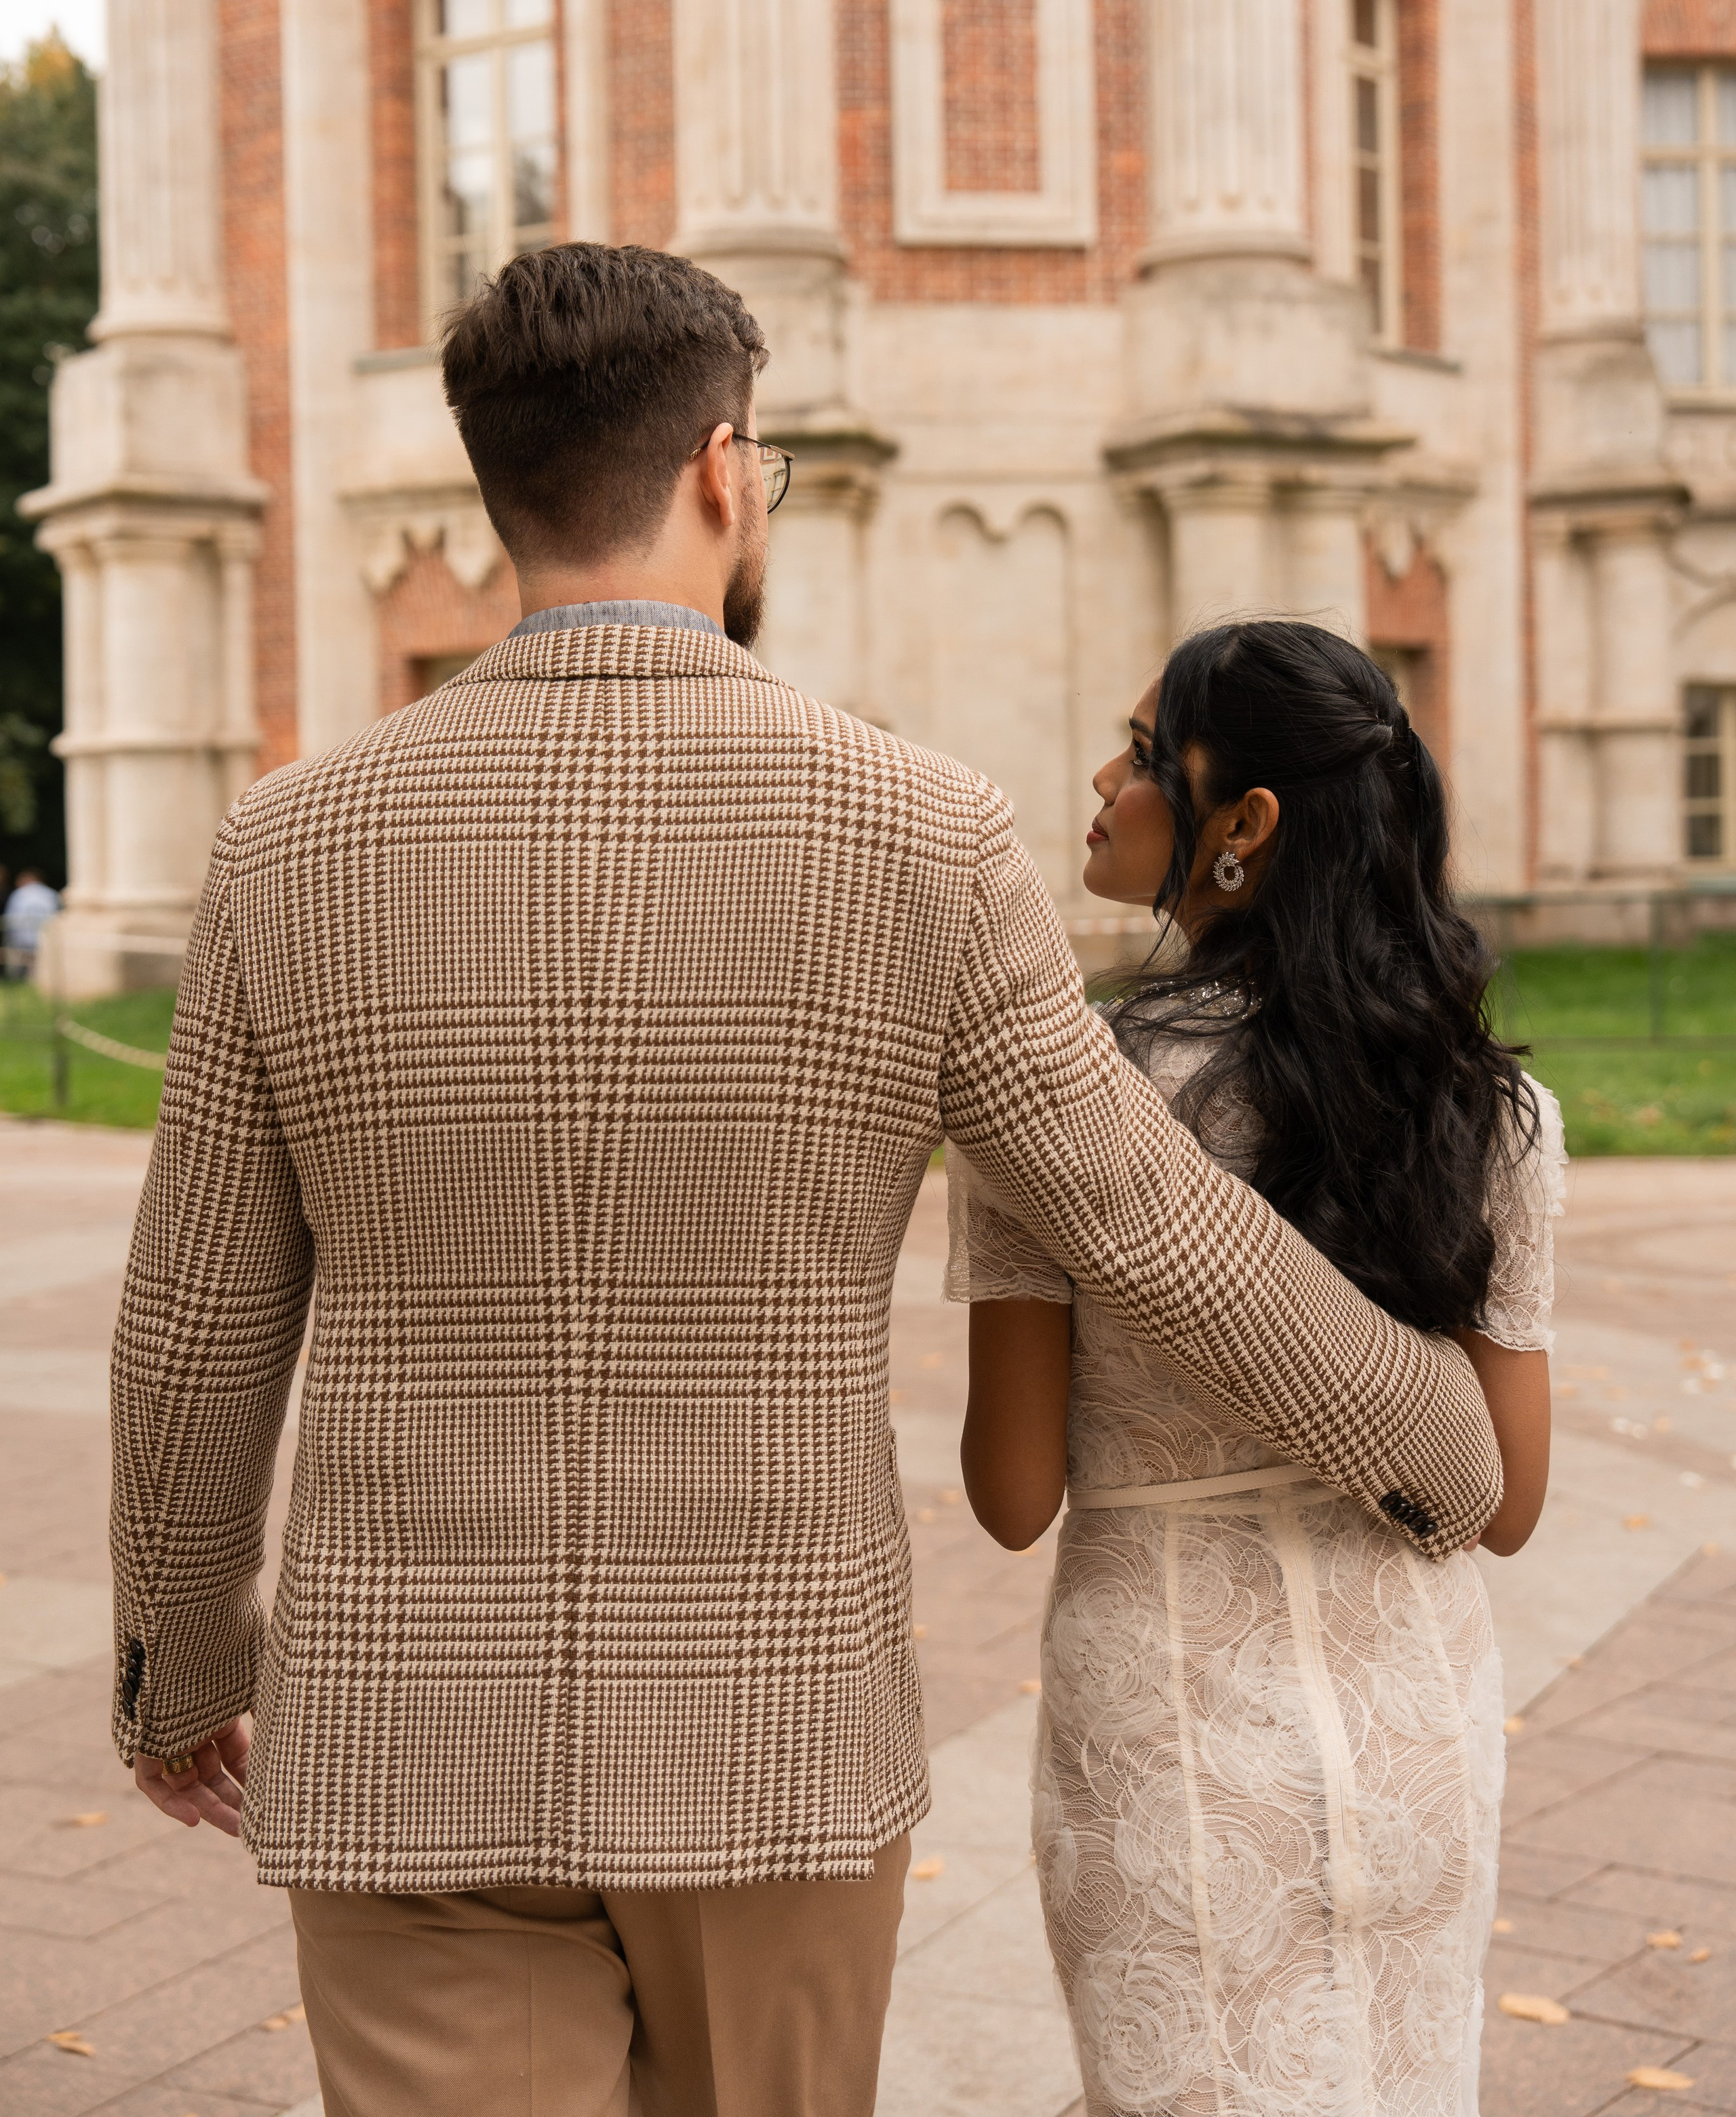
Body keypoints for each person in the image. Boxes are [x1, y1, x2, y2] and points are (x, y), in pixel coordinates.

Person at [108, 248, 1504, 2117]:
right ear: (719, 466)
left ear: (499, 481)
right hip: (772, 1746)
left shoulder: (289, 845)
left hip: (405, 1747)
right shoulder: (918, 830)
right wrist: (1437, 1436)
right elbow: (1141, 1219)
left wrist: (179, 1670)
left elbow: (195, 1320)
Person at [951, 620, 1559, 2116]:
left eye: (1144, 755)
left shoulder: (1070, 1102)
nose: (1103, 778)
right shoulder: (1490, 1110)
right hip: (1416, 1717)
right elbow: (1507, 1499)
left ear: (1246, 824)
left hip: (1166, 1729)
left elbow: (1013, 1493)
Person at [3, 867, 60, 978]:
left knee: (19, 970)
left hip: (21, 938)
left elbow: (11, 918)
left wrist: (9, 938)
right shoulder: (51, 894)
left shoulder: (19, 894)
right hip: (44, 937)